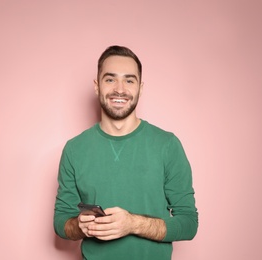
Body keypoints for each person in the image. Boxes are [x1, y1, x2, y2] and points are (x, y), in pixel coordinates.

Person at [54, 45, 198, 260]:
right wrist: (78, 225)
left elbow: (188, 223)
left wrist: (132, 224)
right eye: (110, 79)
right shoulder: (74, 149)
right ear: (97, 86)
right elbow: (61, 221)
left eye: (129, 80)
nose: (119, 89)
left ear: (140, 88)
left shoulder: (168, 145)